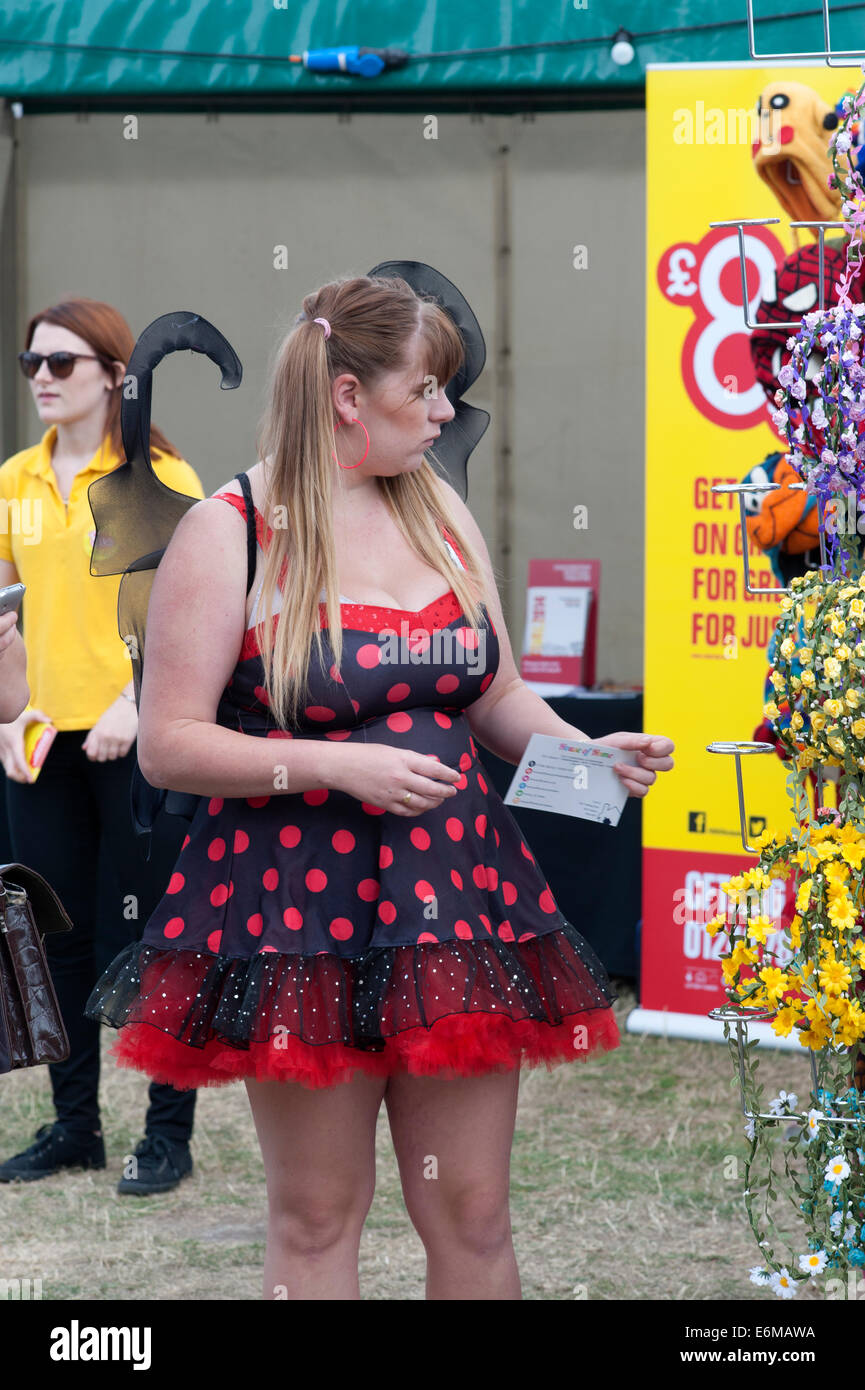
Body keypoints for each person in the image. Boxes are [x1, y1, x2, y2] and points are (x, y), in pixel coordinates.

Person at [86, 274, 675, 1298]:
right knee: (317, 1215)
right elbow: (169, 744)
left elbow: (493, 692)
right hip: (296, 910)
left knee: (473, 1210)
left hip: (451, 899)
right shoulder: (232, 527)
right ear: (349, 396)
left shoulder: (437, 505)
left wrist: (590, 754)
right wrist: (329, 763)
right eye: (426, 392)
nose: (447, 413)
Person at [0, 297, 206, 1193]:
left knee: (164, 937)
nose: (42, 378)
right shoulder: (14, 482)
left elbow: (193, 619)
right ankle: (75, 1127)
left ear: (117, 377)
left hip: (144, 741)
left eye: (63, 363)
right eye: (31, 363)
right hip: (45, 750)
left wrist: (136, 699)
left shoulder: (167, 481)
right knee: (55, 939)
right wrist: (10, 718)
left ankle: (168, 1136)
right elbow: (5, 620)